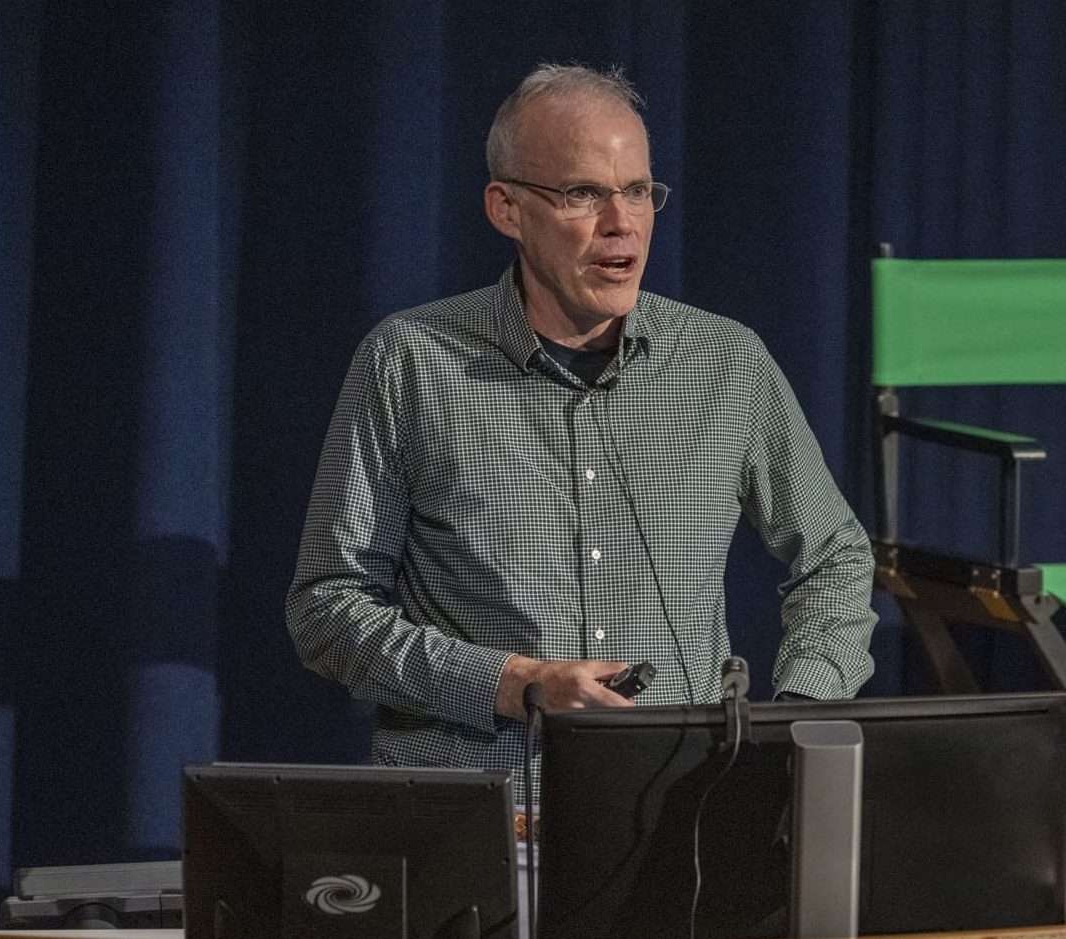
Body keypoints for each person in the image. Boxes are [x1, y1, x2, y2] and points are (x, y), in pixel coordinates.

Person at [285, 63, 876, 798]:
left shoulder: (726, 364)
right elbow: (328, 610)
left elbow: (837, 556)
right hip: (478, 813)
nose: (621, 222)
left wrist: (791, 726)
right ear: (506, 208)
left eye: (637, 191)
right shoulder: (410, 361)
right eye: (583, 194)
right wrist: (513, 683)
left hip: (675, 820)